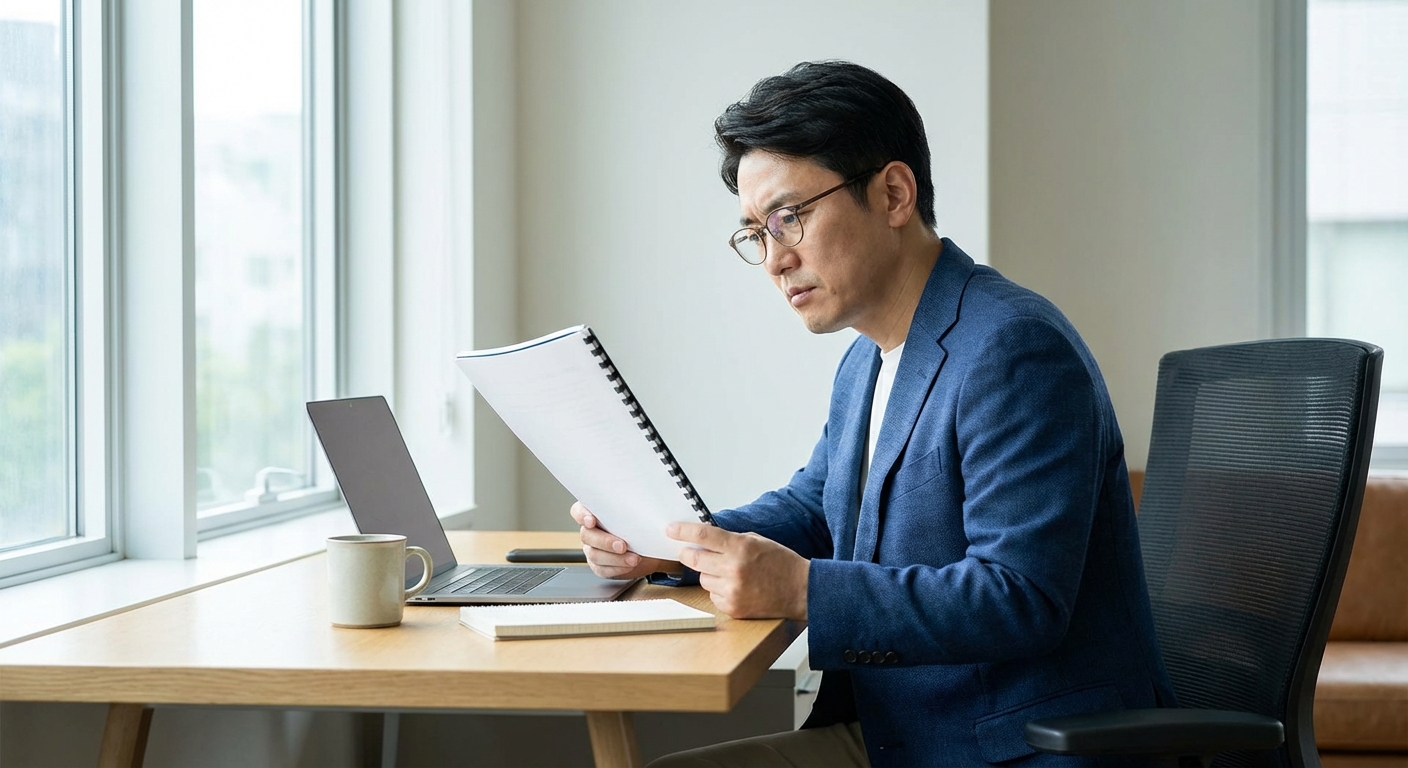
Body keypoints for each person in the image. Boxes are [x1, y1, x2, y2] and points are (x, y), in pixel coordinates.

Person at [571, 60, 1175, 768]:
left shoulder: (1014, 348)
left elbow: (1019, 596)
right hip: (905, 731)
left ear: (892, 193)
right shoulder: (869, 357)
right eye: (756, 232)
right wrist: (674, 543)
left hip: (1009, 748)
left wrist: (801, 589)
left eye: (789, 217)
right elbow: (817, 508)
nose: (773, 258)